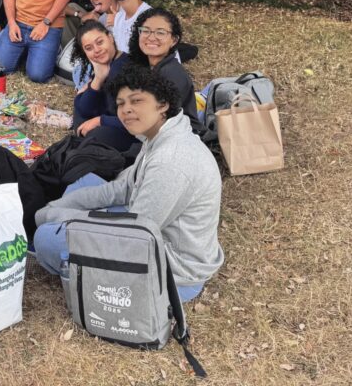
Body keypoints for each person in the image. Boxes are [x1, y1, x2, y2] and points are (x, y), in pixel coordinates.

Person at [33, 65, 224, 302]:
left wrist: (60, 216)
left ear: (162, 105)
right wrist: (58, 207)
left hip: (172, 272)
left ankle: (68, 254)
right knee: (84, 184)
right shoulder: (159, 135)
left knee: (47, 239)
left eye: (137, 101)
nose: (127, 110)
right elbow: (121, 189)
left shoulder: (171, 162)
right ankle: (62, 232)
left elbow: (133, 235)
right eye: (121, 104)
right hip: (148, 229)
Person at [127, 7, 205, 135]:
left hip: (178, 138)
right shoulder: (144, 67)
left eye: (160, 32)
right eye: (146, 31)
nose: (151, 37)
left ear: (174, 40)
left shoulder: (172, 74)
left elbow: (160, 121)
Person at [68, 20, 134, 155]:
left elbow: (136, 117)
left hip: (131, 130)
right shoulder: (103, 65)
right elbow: (82, 109)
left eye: (99, 42)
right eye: (89, 48)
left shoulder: (128, 69)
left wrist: (100, 121)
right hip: (109, 119)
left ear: (110, 37)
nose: (97, 50)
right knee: (81, 103)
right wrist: (98, 79)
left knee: (97, 135)